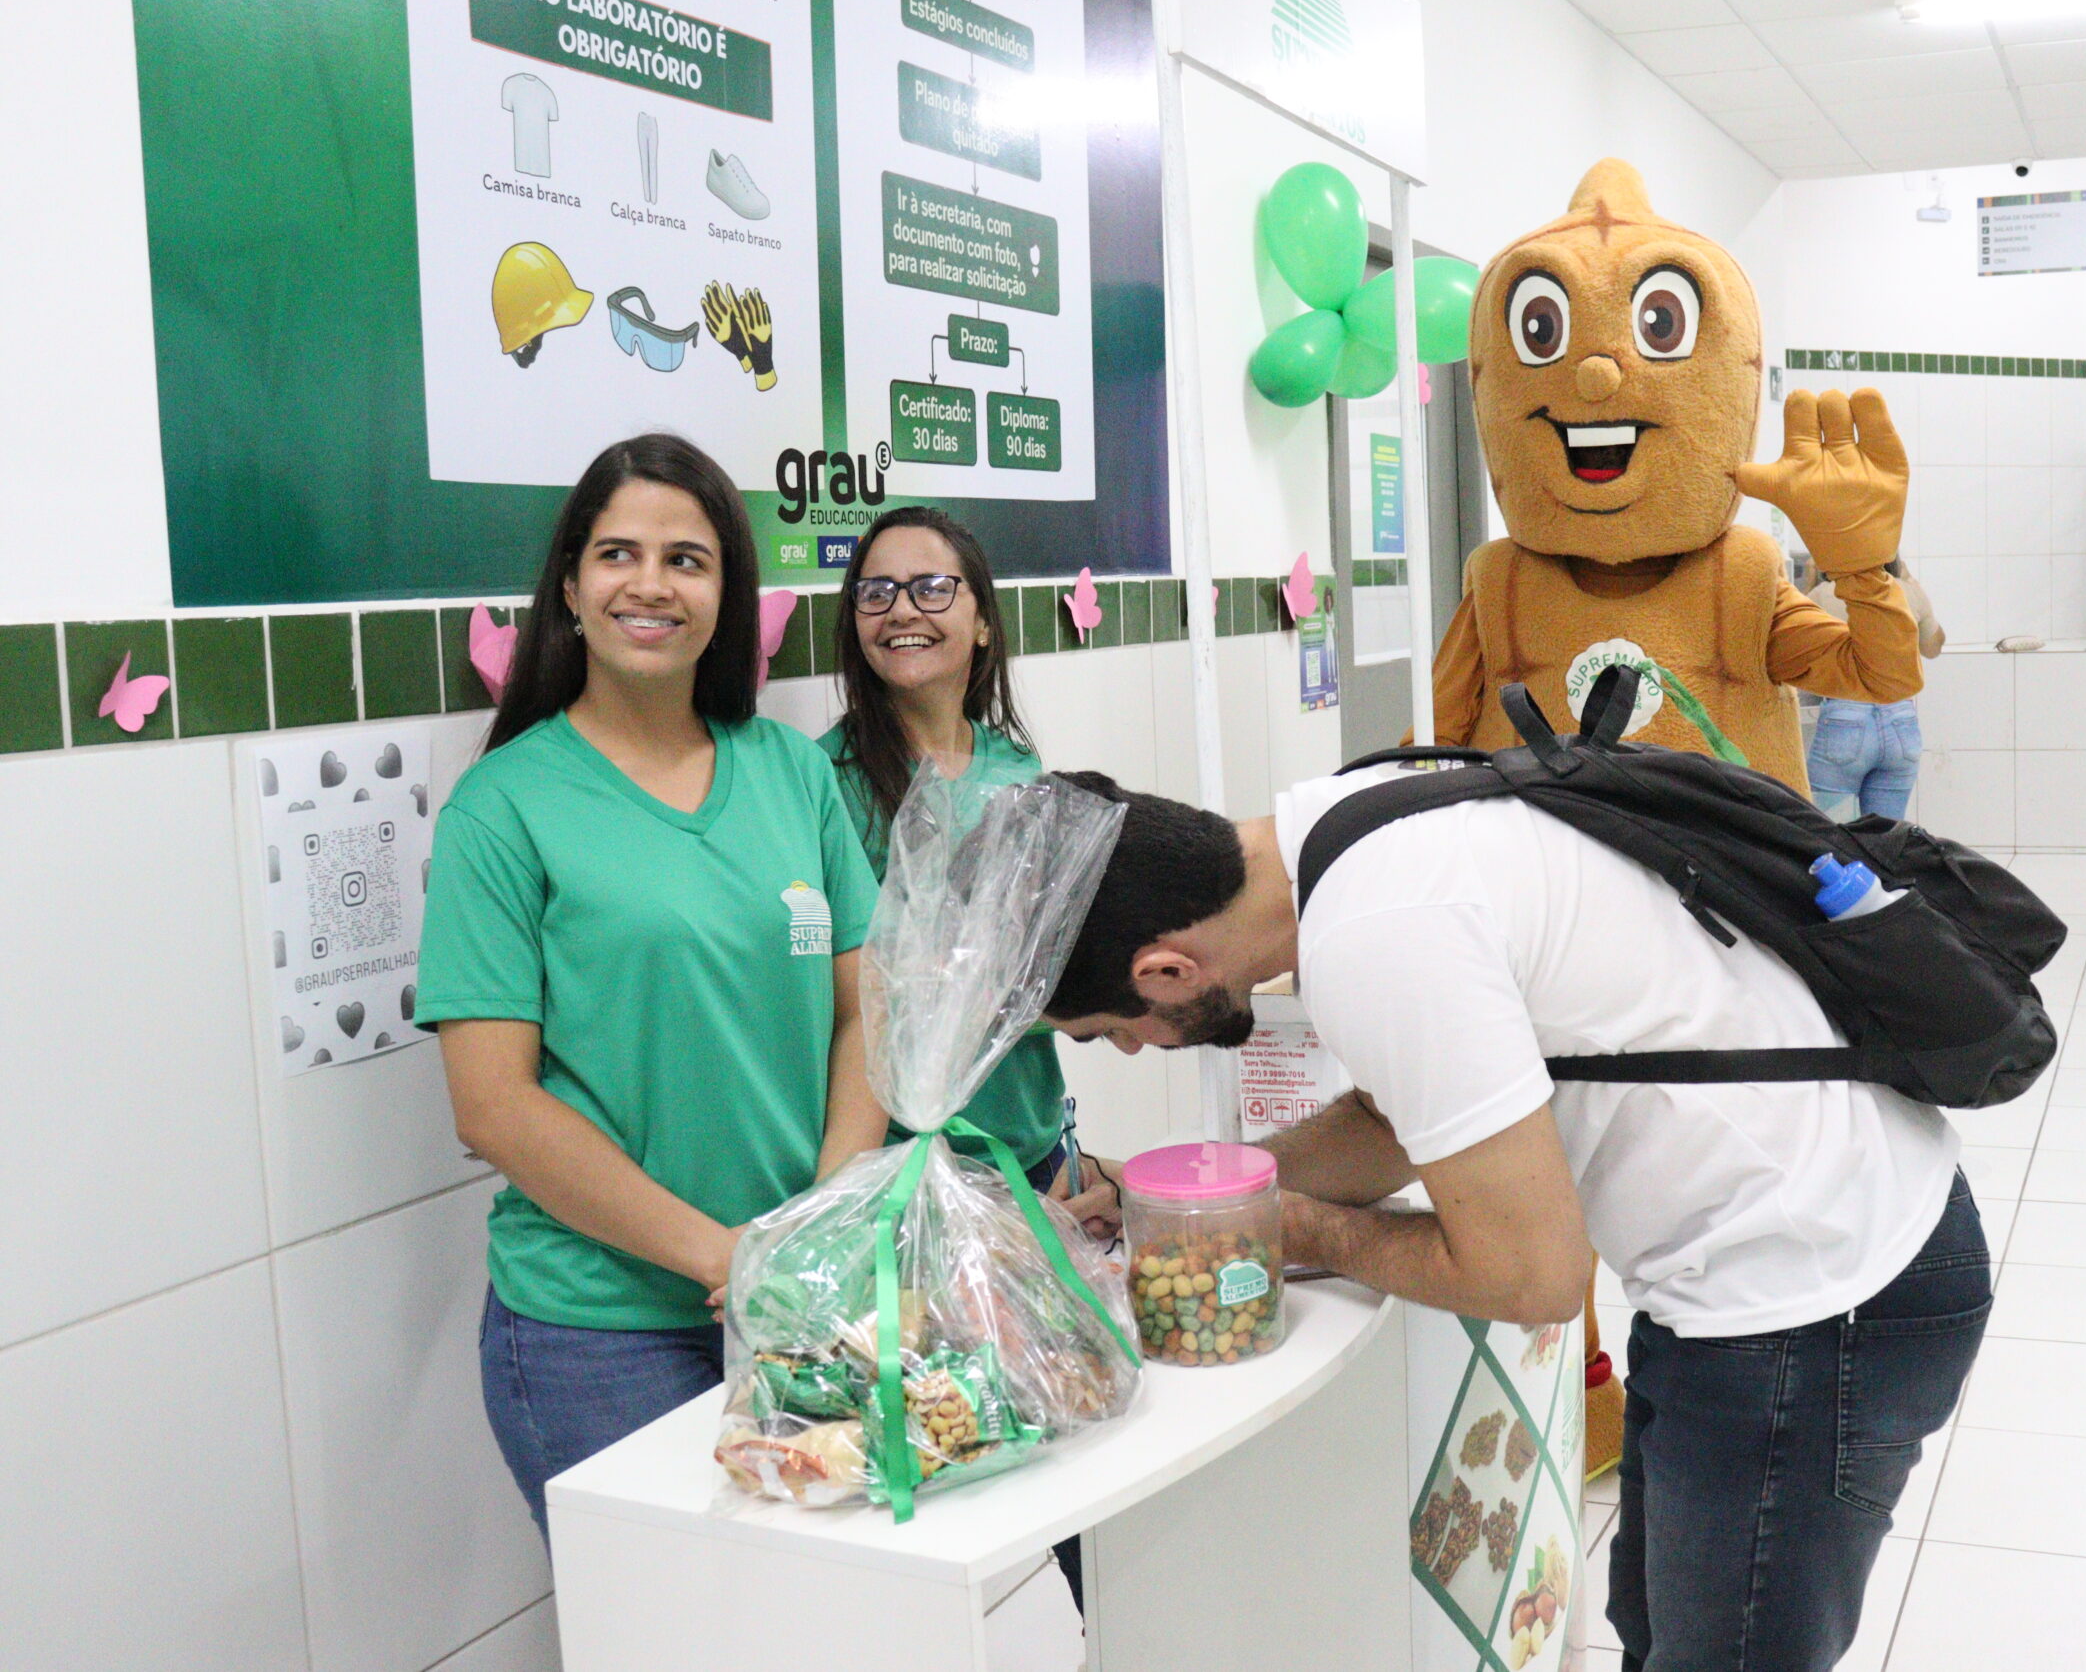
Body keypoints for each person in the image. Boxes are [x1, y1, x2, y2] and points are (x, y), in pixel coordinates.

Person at [1041, 769, 1990, 1672]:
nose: (1129, 1049)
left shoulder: (1373, 935)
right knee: (1660, 1629)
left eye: (1112, 1029)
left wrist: (1300, 1229)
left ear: (1166, 968)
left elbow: (1531, 1275)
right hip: (1763, 1265)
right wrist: (1203, 1199)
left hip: (1820, 1291)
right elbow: (1391, 1118)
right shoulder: (1347, 823)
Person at [418, 434, 879, 1542]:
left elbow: (869, 1011)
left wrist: (814, 1228)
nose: (652, 584)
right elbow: (494, 1106)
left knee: (825, 1612)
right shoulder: (503, 806)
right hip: (599, 1331)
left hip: (795, 1304)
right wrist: (726, 1257)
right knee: (672, 1623)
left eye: (687, 559)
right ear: (570, 588)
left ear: (726, 594)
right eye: (618, 553)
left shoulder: (791, 771)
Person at [815, 504, 1116, 1607]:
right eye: (877, 591)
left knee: (1075, 1446)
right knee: (942, 1461)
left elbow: (1035, 975)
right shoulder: (824, 779)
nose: (903, 610)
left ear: (983, 619)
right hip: (907, 1187)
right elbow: (867, 992)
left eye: (933, 587)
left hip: (1030, 1164)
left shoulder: (1017, 767)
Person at [1804, 558, 1946, 822]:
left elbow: (1798, 642)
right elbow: (1933, 647)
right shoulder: (1907, 591)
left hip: (1845, 720)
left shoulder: (1823, 593)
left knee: (1830, 832)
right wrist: (1912, 586)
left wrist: (1814, 579)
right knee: (1886, 837)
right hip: (1900, 721)